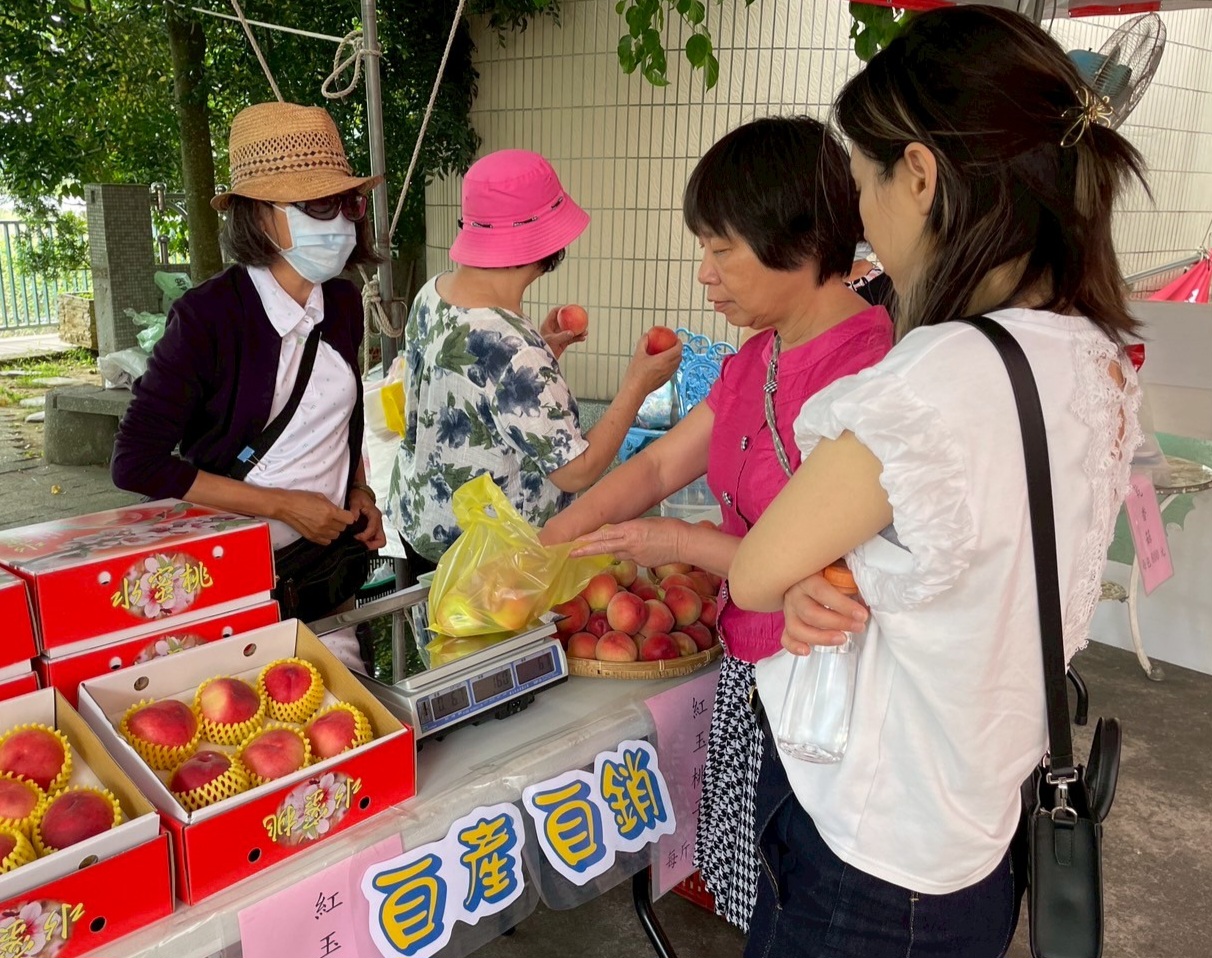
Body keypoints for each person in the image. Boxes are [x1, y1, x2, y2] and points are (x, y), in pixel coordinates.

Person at [727, 8, 1145, 956]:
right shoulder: (1093, 358)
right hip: (980, 828)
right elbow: (974, 551)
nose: (862, 219)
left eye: (861, 182)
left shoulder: (937, 376)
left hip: (874, 850)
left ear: (919, 174)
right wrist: (840, 571)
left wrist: (802, 572)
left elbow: (754, 573)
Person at [540, 115, 892, 930]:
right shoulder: (757, 358)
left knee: (812, 896)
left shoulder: (872, 372)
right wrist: (550, 544)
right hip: (751, 665)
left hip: (830, 688)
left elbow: (840, 563)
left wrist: (679, 542)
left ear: (801, 240)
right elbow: (659, 467)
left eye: (721, 249)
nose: (705, 274)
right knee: (762, 892)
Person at [111, 102, 387, 671]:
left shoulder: (340, 301)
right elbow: (136, 463)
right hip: (234, 580)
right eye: (319, 204)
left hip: (323, 572)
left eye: (349, 203)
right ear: (258, 215)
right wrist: (282, 505)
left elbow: (341, 417)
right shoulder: (207, 317)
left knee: (347, 701)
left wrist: (359, 489)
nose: (340, 222)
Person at [384, 149, 680, 582]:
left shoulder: (433, 292)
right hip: (485, 559)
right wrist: (637, 385)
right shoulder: (515, 350)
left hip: (421, 521)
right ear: (543, 241)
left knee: (431, 626)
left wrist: (542, 355)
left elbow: (470, 390)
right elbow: (576, 470)